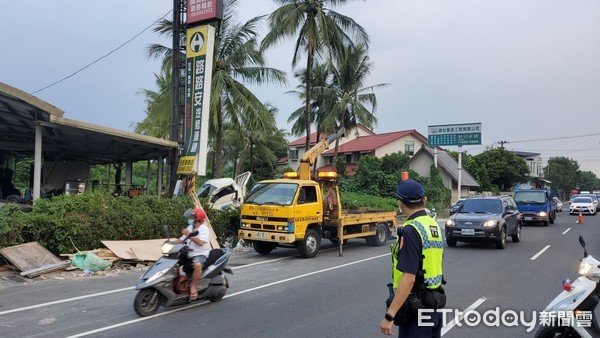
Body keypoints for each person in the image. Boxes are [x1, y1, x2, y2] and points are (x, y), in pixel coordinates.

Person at [380, 179, 445, 337]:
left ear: (400, 203)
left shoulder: (411, 230)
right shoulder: (433, 224)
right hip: (435, 304)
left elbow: (409, 277)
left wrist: (390, 315)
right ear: (424, 200)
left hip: (416, 309)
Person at [178, 207, 211, 301]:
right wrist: (169, 243)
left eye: (193, 217)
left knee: (197, 265)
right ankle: (177, 283)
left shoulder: (203, 229)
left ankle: (193, 287)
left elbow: (200, 242)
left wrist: (189, 235)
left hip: (200, 254)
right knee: (173, 262)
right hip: (188, 252)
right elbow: (181, 240)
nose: (191, 218)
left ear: (198, 218)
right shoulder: (190, 227)